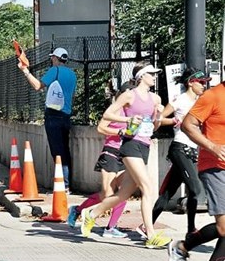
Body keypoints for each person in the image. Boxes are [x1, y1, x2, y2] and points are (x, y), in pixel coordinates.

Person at [80, 61, 172, 248]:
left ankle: (91, 214)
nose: (154, 77)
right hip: (130, 145)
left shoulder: (155, 99)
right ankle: (150, 235)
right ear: (141, 77)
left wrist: (158, 117)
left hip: (145, 145)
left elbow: (154, 126)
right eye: (151, 74)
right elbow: (107, 115)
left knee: (124, 194)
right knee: (148, 188)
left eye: (155, 74)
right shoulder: (128, 95)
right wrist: (128, 119)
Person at [167, 74, 225, 261]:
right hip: (215, 166)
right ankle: (183, 247)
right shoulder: (213, 95)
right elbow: (188, 125)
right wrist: (212, 146)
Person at [67, 81, 135, 238]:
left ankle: (111, 228)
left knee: (124, 192)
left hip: (126, 154)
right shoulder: (115, 110)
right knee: (107, 194)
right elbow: (101, 128)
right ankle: (77, 211)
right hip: (111, 153)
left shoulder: (133, 111)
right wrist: (119, 132)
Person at [145, 68, 208, 239]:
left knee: (168, 193)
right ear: (190, 83)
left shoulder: (202, 101)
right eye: (201, 82)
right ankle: (191, 229)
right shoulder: (179, 100)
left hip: (192, 151)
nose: (204, 85)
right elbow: (158, 119)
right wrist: (173, 120)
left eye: (205, 82)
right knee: (195, 188)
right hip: (179, 148)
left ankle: (147, 225)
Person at [18, 47, 77, 192]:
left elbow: (38, 86)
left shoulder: (54, 70)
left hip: (53, 115)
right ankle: (67, 184)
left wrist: (26, 72)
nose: (51, 59)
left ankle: (62, 185)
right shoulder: (72, 74)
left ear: (56, 58)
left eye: (52, 57)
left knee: (57, 151)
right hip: (66, 115)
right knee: (65, 150)